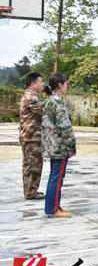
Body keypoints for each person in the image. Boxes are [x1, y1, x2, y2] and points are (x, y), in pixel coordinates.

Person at [42, 73, 76, 218]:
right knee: (57, 177)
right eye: (65, 83)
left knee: (54, 176)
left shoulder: (49, 100)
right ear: (60, 85)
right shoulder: (59, 102)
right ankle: (54, 209)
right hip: (59, 146)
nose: (66, 86)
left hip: (51, 144)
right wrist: (71, 146)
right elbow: (65, 126)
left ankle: (53, 207)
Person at [19, 72, 46, 200]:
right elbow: (45, 110)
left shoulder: (33, 95)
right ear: (33, 84)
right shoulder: (31, 97)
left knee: (32, 164)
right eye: (40, 82)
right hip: (31, 137)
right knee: (33, 166)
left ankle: (31, 191)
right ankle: (30, 192)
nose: (43, 85)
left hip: (31, 136)